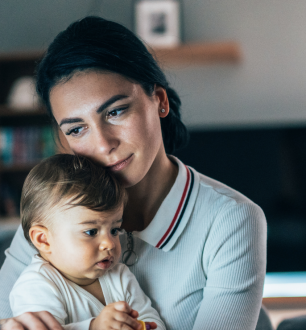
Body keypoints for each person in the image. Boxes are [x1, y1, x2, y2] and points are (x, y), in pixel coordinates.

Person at [0, 16, 267, 330]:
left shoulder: (231, 221)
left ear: (159, 101)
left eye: (115, 111)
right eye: (76, 129)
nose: (103, 144)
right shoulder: (55, 216)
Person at [9, 154, 164, 330]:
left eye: (114, 230)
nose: (109, 243)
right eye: (91, 232)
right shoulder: (36, 285)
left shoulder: (120, 276)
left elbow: (152, 321)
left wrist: (141, 326)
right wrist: (93, 327)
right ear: (43, 240)